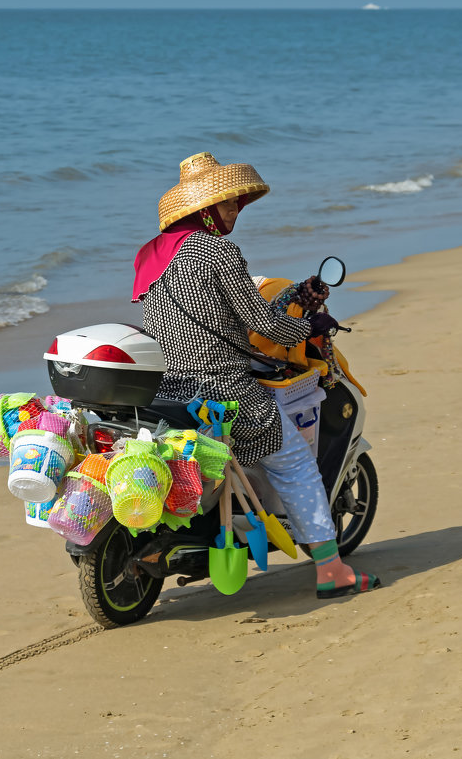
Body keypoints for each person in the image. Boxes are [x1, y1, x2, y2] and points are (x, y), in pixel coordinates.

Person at [132, 152, 380, 598]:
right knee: (295, 464)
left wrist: (293, 295)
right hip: (226, 386)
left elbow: (213, 320)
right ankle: (331, 571)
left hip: (172, 386)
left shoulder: (152, 258)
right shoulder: (217, 251)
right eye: (227, 203)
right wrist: (311, 325)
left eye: (237, 204)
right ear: (203, 209)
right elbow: (260, 324)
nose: (234, 212)